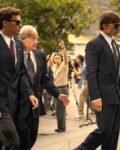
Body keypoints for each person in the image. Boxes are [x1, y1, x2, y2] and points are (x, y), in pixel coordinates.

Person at [74, 10, 120, 150]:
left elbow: (115, 71)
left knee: (113, 133)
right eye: (116, 25)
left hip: (115, 96)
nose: (118, 28)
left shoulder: (114, 44)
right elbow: (91, 73)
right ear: (105, 26)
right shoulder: (94, 44)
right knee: (104, 130)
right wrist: (96, 96)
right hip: (102, 97)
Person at [16, 25, 70, 150]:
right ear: (21, 38)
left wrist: (58, 94)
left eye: (37, 38)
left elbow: (45, 80)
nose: (36, 41)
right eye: (32, 38)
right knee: (18, 141)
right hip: (17, 106)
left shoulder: (40, 55)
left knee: (32, 138)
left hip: (34, 107)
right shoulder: (14, 54)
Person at [0, 7, 38, 150]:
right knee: (13, 142)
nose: (20, 25)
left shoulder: (18, 45)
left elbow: (21, 73)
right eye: (17, 22)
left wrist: (30, 93)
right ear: (5, 23)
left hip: (14, 104)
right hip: (1, 105)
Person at [52, 40, 69, 133]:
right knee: (57, 110)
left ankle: (62, 127)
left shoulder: (64, 65)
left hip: (62, 89)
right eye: (56, 58)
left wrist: (63, 48)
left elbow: (66, 58)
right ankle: (60, 126)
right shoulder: (53, 67)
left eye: (59, 58)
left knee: (61, 110)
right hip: (55, 90)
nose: (57, 60)